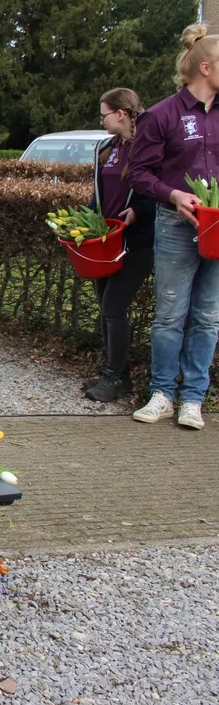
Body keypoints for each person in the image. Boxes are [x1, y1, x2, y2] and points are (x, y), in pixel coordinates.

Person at [128, 24, 219, 429]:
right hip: (176, 225)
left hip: (217, 225)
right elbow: (139, 173)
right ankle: (162, 393)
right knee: (169, 314)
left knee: (207, 317)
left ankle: (193, 400)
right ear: (205, 67)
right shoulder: (162, 114)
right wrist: (174, 196)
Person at [84, 87, 154, 402]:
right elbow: (100, 192)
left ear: (121, 114)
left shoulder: (148, 147)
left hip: (136, 242)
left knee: (114, 307)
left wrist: (139, 210)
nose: (103, 122)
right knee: (105, 307)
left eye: (105, 115)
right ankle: (117, 376)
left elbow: (155, 189)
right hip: (105, 240)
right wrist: (86, 219)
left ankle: (113, 377)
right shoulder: (109, 147)